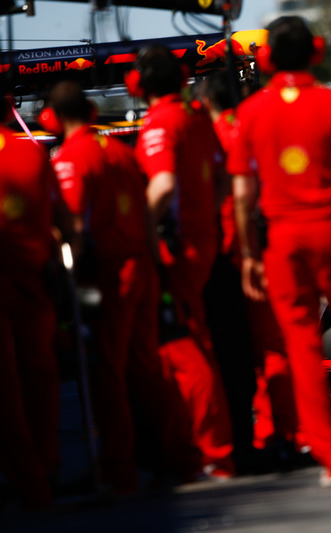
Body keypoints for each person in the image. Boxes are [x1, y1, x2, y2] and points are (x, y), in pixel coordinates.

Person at [229, 16, 331, 487]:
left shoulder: (250, 113)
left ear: (266, 59)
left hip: (281, 240)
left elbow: (242, 194)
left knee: (300, 348)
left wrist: (249, 254)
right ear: (316, 52)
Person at [47, 80, 197, 493]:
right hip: (144, 268)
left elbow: (74, 227)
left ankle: (119, 467)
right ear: (93, 113)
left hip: (109, 277)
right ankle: (180, 457)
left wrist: (66, 278)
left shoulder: (70, 159)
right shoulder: (121, 151)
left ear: (52, 119)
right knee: (148, 369)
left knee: (107, 375)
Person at [128, 45, 235, 480]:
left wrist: (139, 228)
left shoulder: (160, 121)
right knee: (193, 344)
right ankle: (203, 449)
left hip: (176, 249)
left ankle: (211, 450)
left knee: (184, 350)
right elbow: (224, 179)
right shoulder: (196, 118)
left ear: (138, 86)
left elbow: (163, 185)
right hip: (202, 241)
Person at [195, 71, 300, 472]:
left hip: (229, 255)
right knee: (275, 346)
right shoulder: (257, 124)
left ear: (206, 102)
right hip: (267, 243)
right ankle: (286, 432)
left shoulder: (210, 135)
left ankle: (257, 437)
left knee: (238, 354)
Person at [0, 87, 68, 509]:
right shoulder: (32, 153)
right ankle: (48, 466)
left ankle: (30, 480)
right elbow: (62, 219)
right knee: (41, 378)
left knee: (7, 389)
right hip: (37, 279)